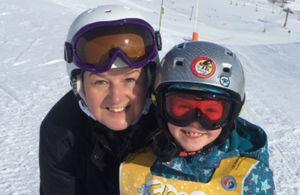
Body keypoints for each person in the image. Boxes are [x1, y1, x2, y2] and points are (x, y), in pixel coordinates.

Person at [119, 41, 275, 194]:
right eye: (182, 108)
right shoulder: (135, 165)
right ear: (161, 107)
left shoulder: (249, 178)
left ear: (231, 115)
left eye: (211, 111)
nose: (195, 123)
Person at [39, 5, 162, 195]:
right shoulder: (61, 132)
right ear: (79, 85)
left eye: (130, 80)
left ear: (149, 79)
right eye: (101, 82)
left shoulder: (174, 119)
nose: (116, 97)